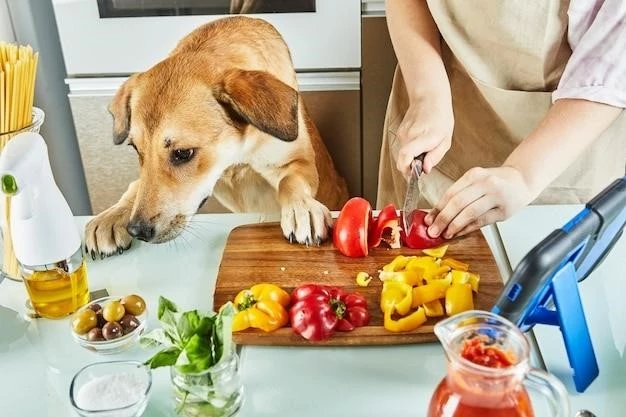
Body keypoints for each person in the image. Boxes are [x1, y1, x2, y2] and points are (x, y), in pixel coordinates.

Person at [377, 0, 626, 240]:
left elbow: (612, 64)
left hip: (567, 149)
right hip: (442, 105)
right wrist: (427, 95)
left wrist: (522, 175)